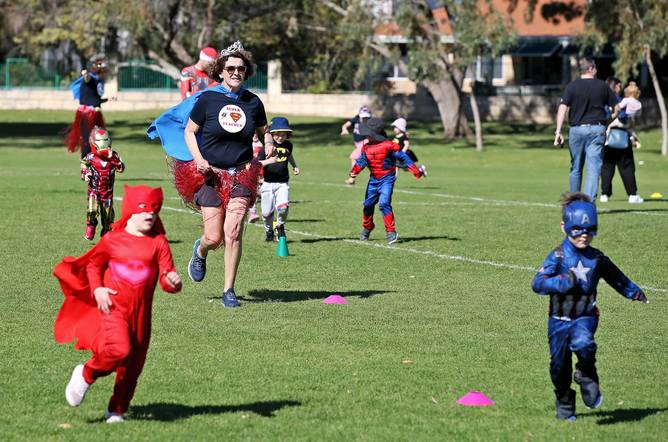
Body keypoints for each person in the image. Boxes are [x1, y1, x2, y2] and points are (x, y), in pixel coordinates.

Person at [148, 41, 274, 308]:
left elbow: (265, 134)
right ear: (221, 71)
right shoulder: (207, 100)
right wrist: (199, 159)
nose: (236, 72)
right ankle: (201, 249)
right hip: (209, 175)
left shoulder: (253, 103)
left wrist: (271, 147)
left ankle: (229, 290)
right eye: (231, 68)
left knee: (234, 230)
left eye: (241, 68)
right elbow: (190, 132)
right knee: (214, 237)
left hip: (241, 173)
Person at [54, 185, 182, 424]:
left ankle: (116, 410)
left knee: (133, 367)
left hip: (142, 316)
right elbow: (93, 265)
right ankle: (86, 373)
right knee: (119, 349)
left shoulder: (159, 243)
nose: (150, 215)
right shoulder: (112, 240)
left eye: (154, 210)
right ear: (131, 210)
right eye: (144, 209)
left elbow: (167, 278)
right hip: (114, 308)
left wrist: (173, 282)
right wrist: (98, 289)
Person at [531, 192, 648, 421]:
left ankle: (586, 373)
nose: (583, 235)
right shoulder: (558, 255)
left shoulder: (596, 259)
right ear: (564, 226)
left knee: (583, 342)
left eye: (589, 230)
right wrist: (561, 283)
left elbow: (618, 278)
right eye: (577, 230)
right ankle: (564, 403)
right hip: (558, 320)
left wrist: (635, 293)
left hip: (585, 315)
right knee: (558, 367)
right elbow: (537, 283)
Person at [346, 117, 426, 244]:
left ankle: (391, 231)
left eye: (367, 134)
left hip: (387, 179)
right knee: (367, 205)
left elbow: (403, 157)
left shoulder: (389, 145)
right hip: (373, 180)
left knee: (384, 204)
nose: (365, 137)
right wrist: (354, 172)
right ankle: (368, 227)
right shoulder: (366, 147)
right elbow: (361, 161)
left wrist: (415, 171)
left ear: (374, 134)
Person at [554, 57, 619, 200]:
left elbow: (562, 108)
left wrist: (558, 131)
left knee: (576, 168)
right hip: (597, 130)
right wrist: (609, 120)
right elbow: (617, 108)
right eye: (595, 67)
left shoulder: (572, 86)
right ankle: (588, 204)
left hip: (576, 130)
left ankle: (574, 203)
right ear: (590, 69)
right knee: (593, 169)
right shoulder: (603, 86)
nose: (596, 69)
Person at [257, 117, 300, 241]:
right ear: (271, 134)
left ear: (288, 134)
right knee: (266, 213)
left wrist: (295, 165)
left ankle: (280, 225)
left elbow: (289, 155)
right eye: (277, 135)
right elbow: (258, 163)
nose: (280, 138)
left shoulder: (288, 145)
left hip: (282, 183)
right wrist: (270, 161)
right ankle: (268, 230)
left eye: (283, 135)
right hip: (267, 183)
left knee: (283, 208)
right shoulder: (267, 147)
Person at [64, 55, 115, 157]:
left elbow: (95, 100)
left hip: (95, 112)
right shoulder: (91, 78)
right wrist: (86, 74)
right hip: (87, 114)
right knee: (87, 138)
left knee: (98, 138)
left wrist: (108, 99)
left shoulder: (98, 80)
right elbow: (87, 79)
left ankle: (94, 159)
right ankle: (85, 160)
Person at [601, 81, 644, 203]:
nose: (620, 88)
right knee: (627, 166)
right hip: (623, 134)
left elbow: (616, 111)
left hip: (610, 136)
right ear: (614, 86)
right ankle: (632, 194)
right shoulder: (637, 103)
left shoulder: (611, 99)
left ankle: (605, 194)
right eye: (619, 85)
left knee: (607, 166)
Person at [80, 127, 125, 240]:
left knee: (107, 218)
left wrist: (114, 160)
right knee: (92, 210)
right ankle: (91, 225)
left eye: (105, 140)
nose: (103, 144)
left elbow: (121, 168)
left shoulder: (114, 156)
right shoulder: (91, 156)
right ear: (94, 143)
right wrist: (86, 173)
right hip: (94, 191)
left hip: (107, 193)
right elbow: (83, 163)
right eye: (100, 141)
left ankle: (106, 235)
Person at [341, 106, 372, 185]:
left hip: (366, 142)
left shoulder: (370, 122)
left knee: (354, 157)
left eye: (366, 117)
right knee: (368, 162)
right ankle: (380, 176)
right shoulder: (356, 119)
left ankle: (352, 179)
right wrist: (344, 129)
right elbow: (345, 125)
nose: (365, 119)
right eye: (363, 117)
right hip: (358, 144)